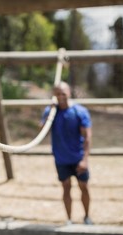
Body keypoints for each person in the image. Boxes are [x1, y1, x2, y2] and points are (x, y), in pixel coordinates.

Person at [41, 81, 93, 225]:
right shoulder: (50, 111)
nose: (61, 96)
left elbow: (87, 137)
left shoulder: (79, 112)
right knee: (66, 187)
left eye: (63, 93)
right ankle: (69, 219)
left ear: (69, 93)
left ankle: (87, 217)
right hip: (61, 159)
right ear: (54, 95)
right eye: (58, 94)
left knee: (84, 187)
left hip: (78, 158)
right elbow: (42, 131)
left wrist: (85, 160)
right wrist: (48, 114)